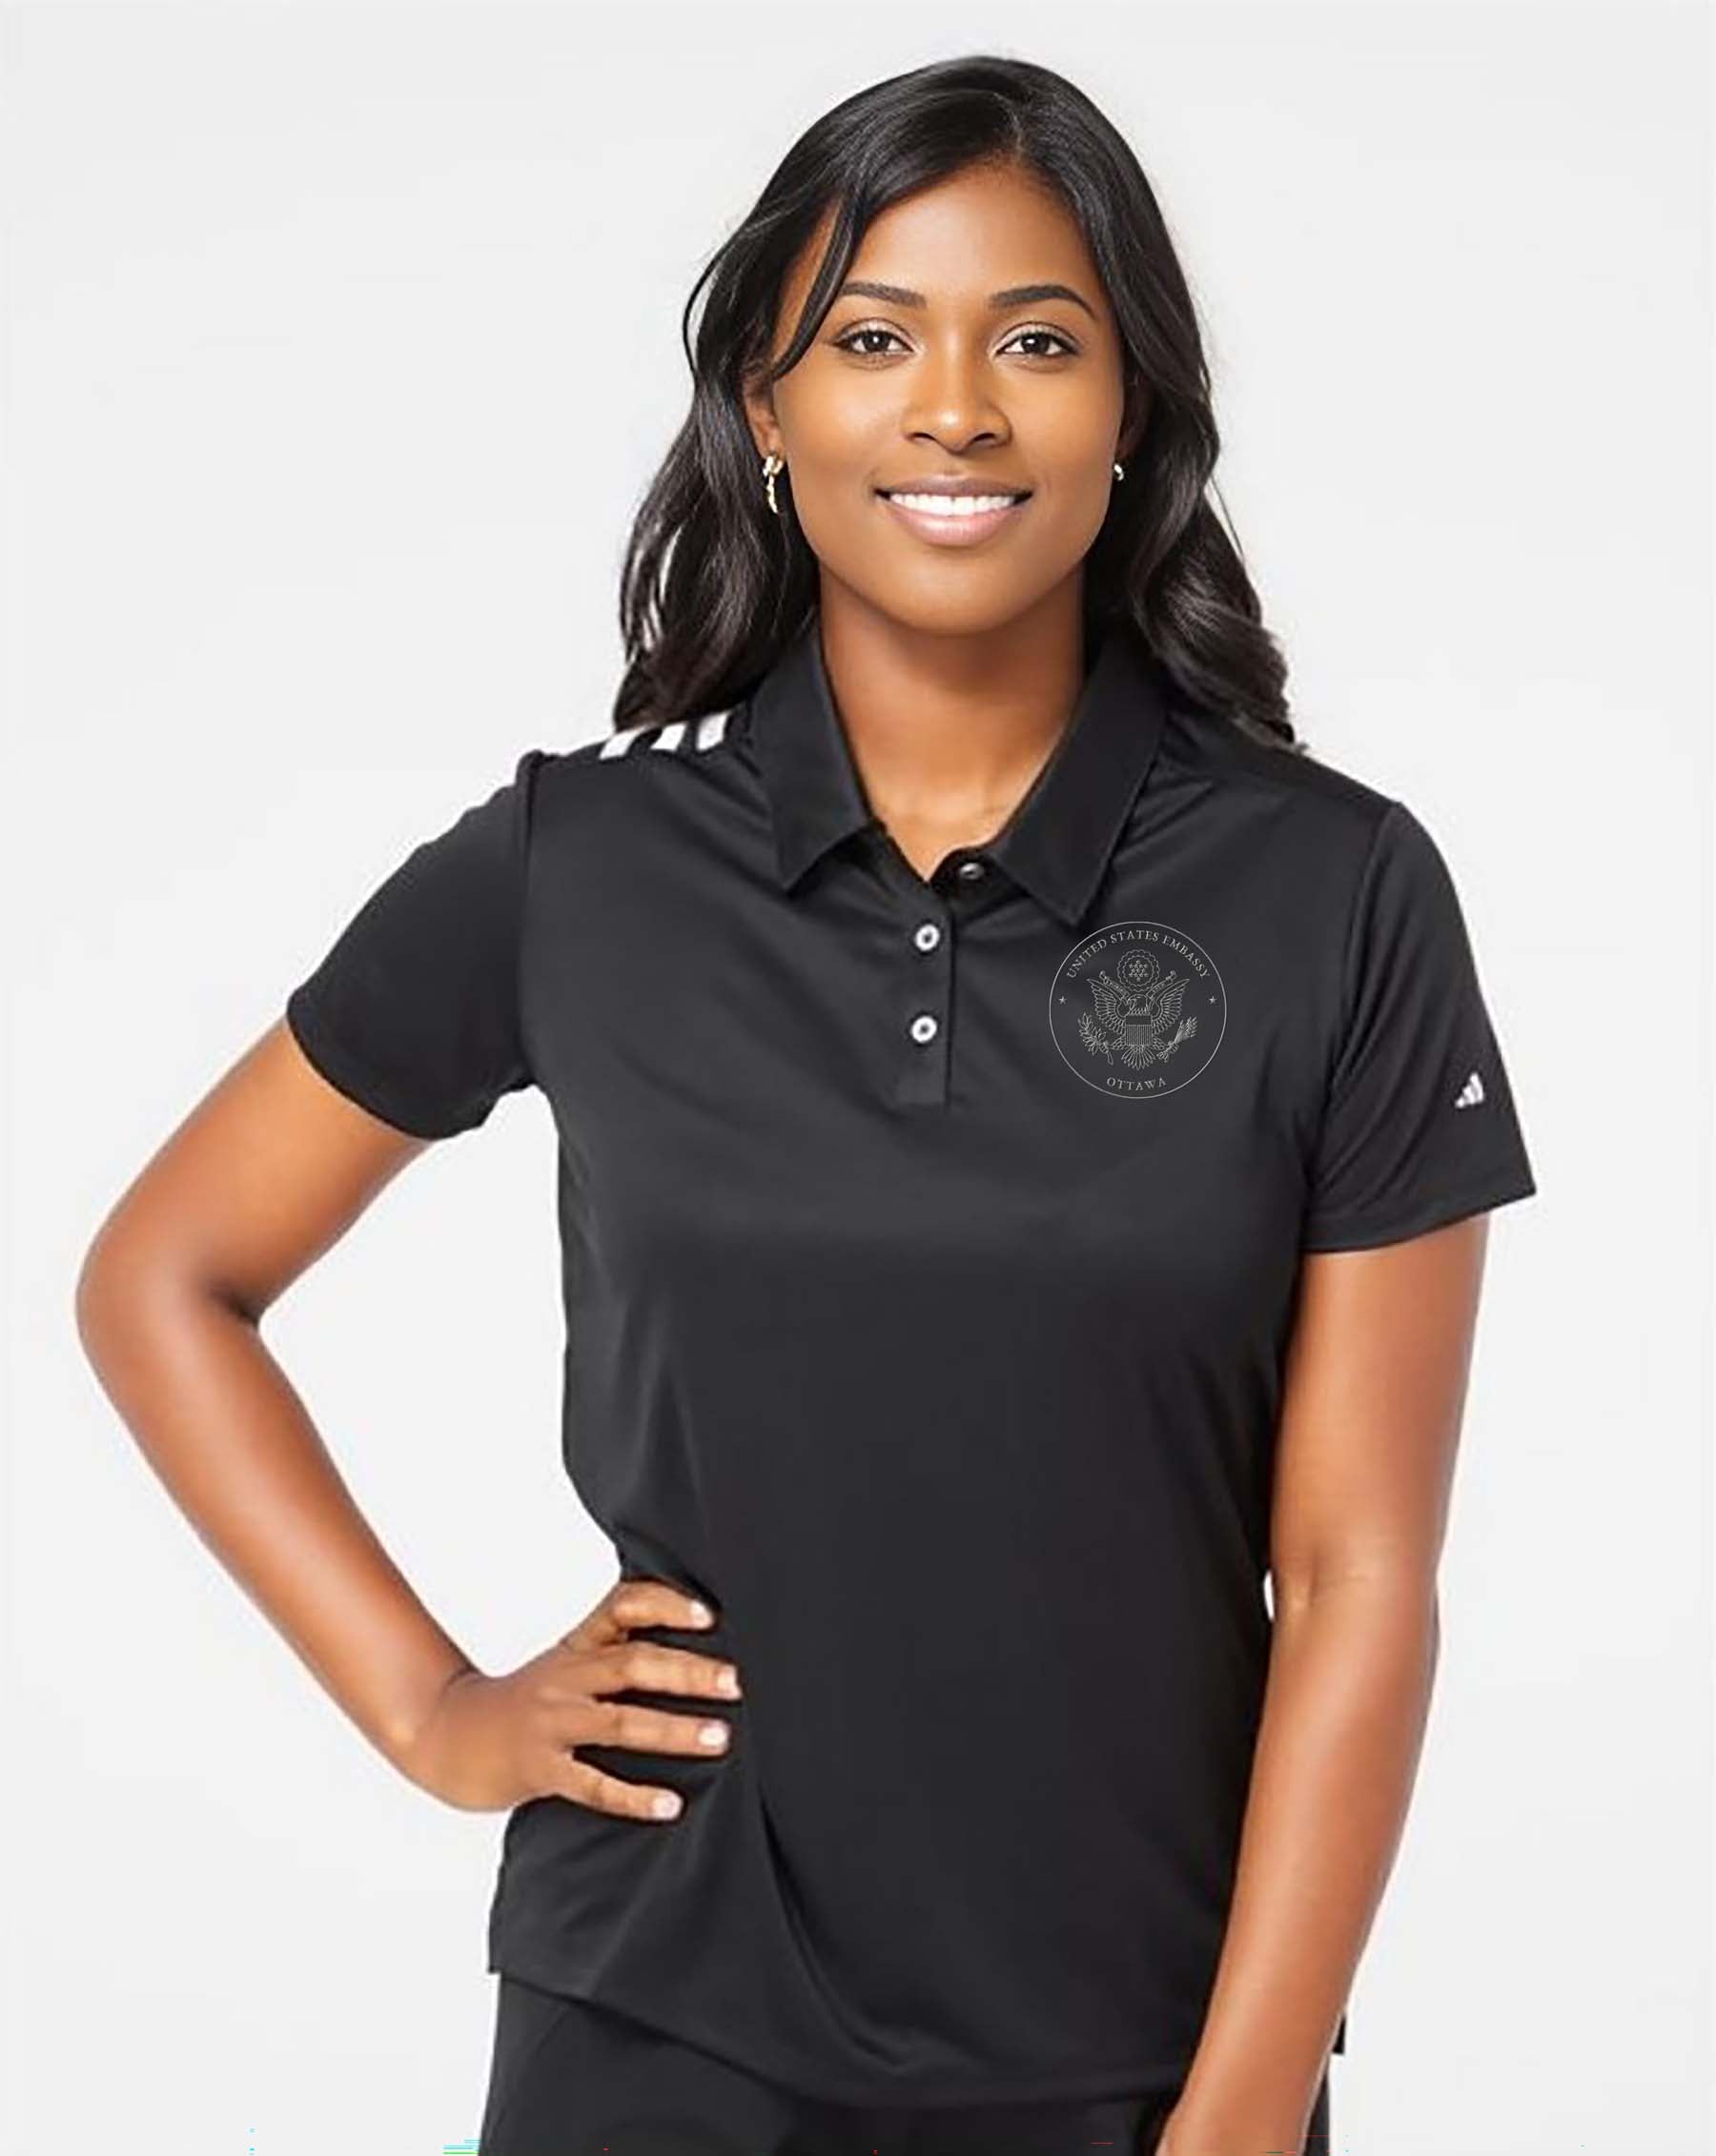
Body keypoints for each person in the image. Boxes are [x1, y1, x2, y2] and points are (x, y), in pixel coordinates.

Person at [74, 51, 1538, 2156]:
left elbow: (1359, 1571)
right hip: (650, 2034)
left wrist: (1235, 2116)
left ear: (1133, 408)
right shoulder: (580, 866)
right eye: (870, 340)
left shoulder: (1336, 891)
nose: (955, 409)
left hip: (1142, 2058)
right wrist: (432, 1705)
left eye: (1037, 341)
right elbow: (166, 1277)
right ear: (765, 410)